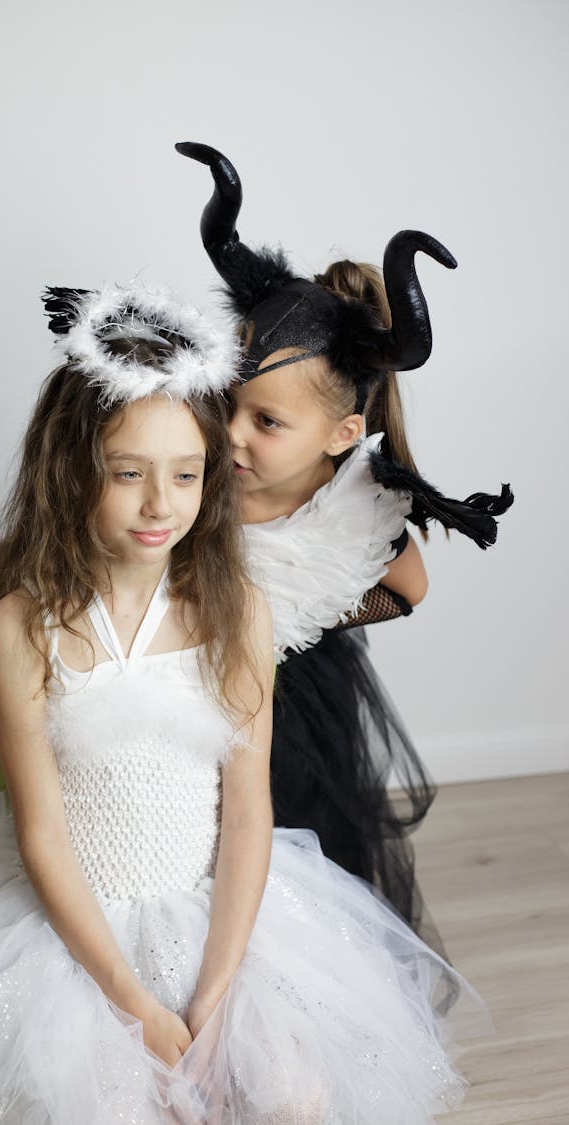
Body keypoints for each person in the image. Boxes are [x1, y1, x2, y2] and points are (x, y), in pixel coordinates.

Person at [0, 283, 484, 1122]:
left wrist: (219, 989)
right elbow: (41, 830)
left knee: (294, 1095)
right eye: (127, 473)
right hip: (73, 930)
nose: (159, 504)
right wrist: (131, 1001)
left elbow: (247, 810)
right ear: (72, 469)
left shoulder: (238, 608)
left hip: (220, 916)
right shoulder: (20, 625)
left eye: (185, 474)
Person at [176, 141, 513, 950]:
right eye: (231, 404)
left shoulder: (354, 499)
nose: (234, 435)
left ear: (343, 433)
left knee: (292, 854)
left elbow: (409, 588)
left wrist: (304, 616)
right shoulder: (193, 472)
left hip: (294, 702)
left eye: (266, 421)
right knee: (191, 847)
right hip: (188, 678)